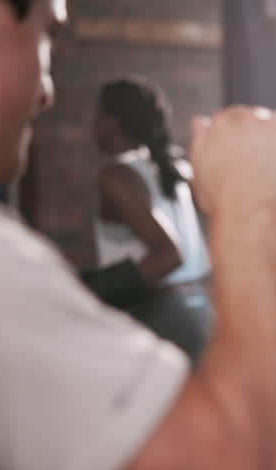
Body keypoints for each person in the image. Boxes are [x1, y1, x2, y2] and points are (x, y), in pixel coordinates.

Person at [0, 1, 276, 470]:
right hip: (192, 309)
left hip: (167, 309)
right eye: (45, 36)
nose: (47, 92)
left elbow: (167, 253)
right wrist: (253, 200)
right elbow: (260, 466)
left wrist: (90, 288)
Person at [84, 76, 211, 309]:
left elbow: (169, 255)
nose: (92, 123)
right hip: (199, 306)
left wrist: (91, 290)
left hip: (157, 313)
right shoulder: (177, 166)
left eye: (98, 114)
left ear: (113, 122)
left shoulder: (116, 175)